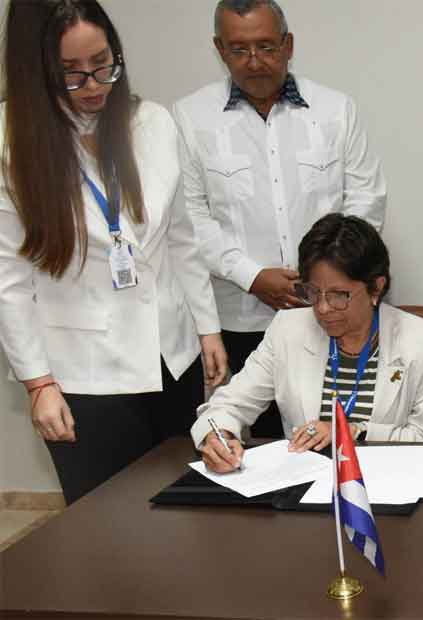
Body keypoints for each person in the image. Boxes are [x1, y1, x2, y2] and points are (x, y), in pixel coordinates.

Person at [0, 0, 227, 504]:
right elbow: (7, 280)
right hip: (84, 375)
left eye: (103, 64)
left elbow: (181, 236)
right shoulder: (10, 142)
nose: (94, 85)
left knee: (187, 511)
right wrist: (38, 383)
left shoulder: (153, 122)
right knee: (106, 521)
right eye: (72, 73)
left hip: (172, 355)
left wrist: (207, 327)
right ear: (38, 71)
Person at [174, 0, 387, 438]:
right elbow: (190, 217)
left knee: (341, 433)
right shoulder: (190, 118)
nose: (254, 61)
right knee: (256, 446)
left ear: (288, 45)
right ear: (219, 49)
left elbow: (366, 199)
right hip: (241, 318)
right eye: (239, 49)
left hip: (330, 312)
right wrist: (252, 276)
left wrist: (323, 277)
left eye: (267, 47)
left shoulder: (335, 109)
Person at [194, 215, 423, 472]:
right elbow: (229, 405)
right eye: (313, 292)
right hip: (304, 484)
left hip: (386, 480)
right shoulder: (287, 330)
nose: (323, 308)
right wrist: (218, 436)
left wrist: (354, 431)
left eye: (339, 295)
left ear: (375, 288)